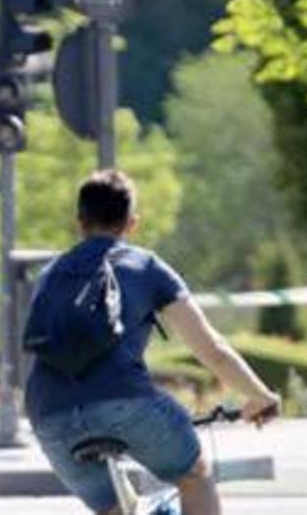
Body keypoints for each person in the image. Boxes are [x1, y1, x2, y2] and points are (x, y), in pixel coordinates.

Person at [25, 170, 280, 515]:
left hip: (48, 412)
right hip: (126, 403)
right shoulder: (145, 266)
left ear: (79, 222)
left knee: (116, 507)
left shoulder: (50, 274)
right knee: (194, 474)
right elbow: (211, 350)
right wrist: (259, 396)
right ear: (132, 223)